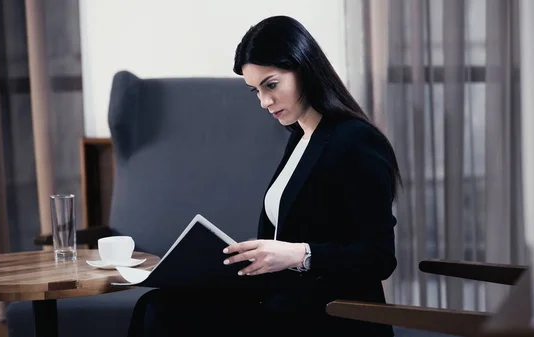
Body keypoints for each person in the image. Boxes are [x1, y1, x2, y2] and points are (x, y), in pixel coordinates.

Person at [128, 15, 402, 337]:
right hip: (284, 301)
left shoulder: (356, 140)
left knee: (163, 316)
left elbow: (380, 257)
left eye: (271, 85)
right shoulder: (300, 138)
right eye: (255, 90)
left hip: (328, 314)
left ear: (304, 69)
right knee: (154, 305)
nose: (264, 101)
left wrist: (299, 254)